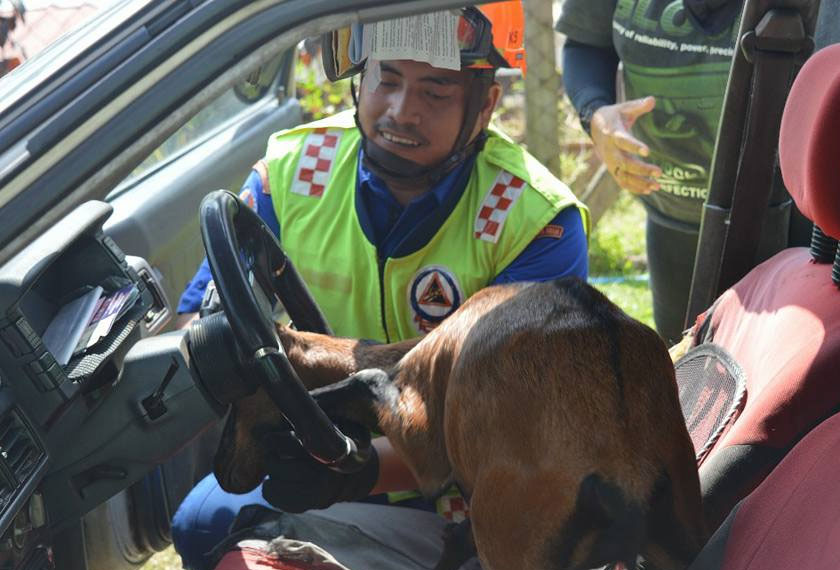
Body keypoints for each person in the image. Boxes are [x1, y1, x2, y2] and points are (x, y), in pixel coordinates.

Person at [172, 4, 590, 569]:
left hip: (469, 492)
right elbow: (200, 317)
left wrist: (365, 467)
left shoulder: (534, 222)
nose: (401, 111)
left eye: (435, 93)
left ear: (485, 105)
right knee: (199, 524)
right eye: (386, 78)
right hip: (312, 452)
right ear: (359, 78)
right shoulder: (292, 170)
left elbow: (512, 427)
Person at [555, 0, 743, 345]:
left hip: (797, 230)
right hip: (671, 221)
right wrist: (596, 113)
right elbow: (586, 43)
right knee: (687, 374)